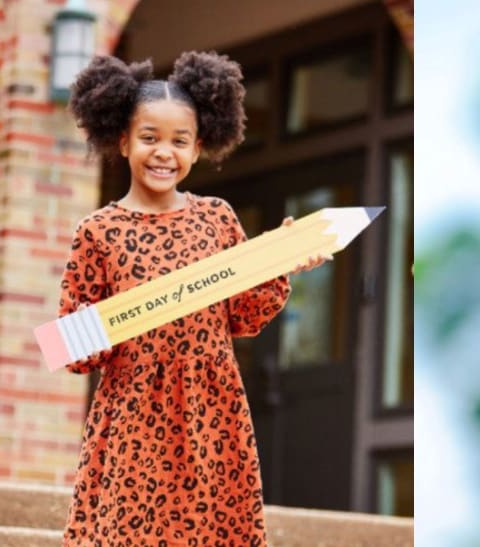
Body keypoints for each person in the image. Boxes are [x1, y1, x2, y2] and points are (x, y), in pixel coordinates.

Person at [60, 51, 323, 546]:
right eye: (149, 138)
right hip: (133, 411)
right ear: (122, 141)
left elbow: (245, 313)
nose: (164, 152)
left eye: (179, 141)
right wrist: (107, 325)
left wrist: (280, 260)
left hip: (210, 406)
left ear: (199, 148)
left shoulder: (217, 218)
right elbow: (77, 344)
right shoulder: (97, 232)